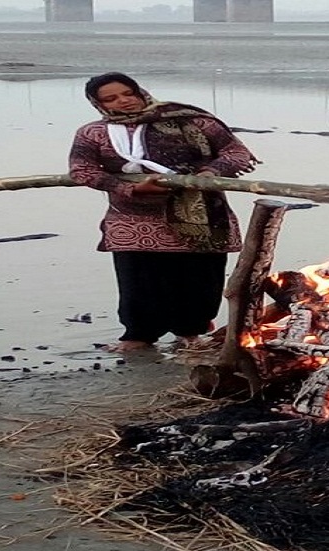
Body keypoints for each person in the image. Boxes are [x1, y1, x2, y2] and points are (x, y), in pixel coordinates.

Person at [69, 72, 259, 353]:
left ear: (139, 92)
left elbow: (236, 153)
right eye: (111, 99)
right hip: (132, 219)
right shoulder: (92, 133)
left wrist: (210, 171)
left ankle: (192, 332)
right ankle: (138, 335)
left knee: (197, 276)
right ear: (100, 105)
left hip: (199, 214)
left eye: (127, 93)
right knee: (138, 278)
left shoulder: (191, 120)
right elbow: (81, 170)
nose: (123, 101)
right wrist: (128, 189)